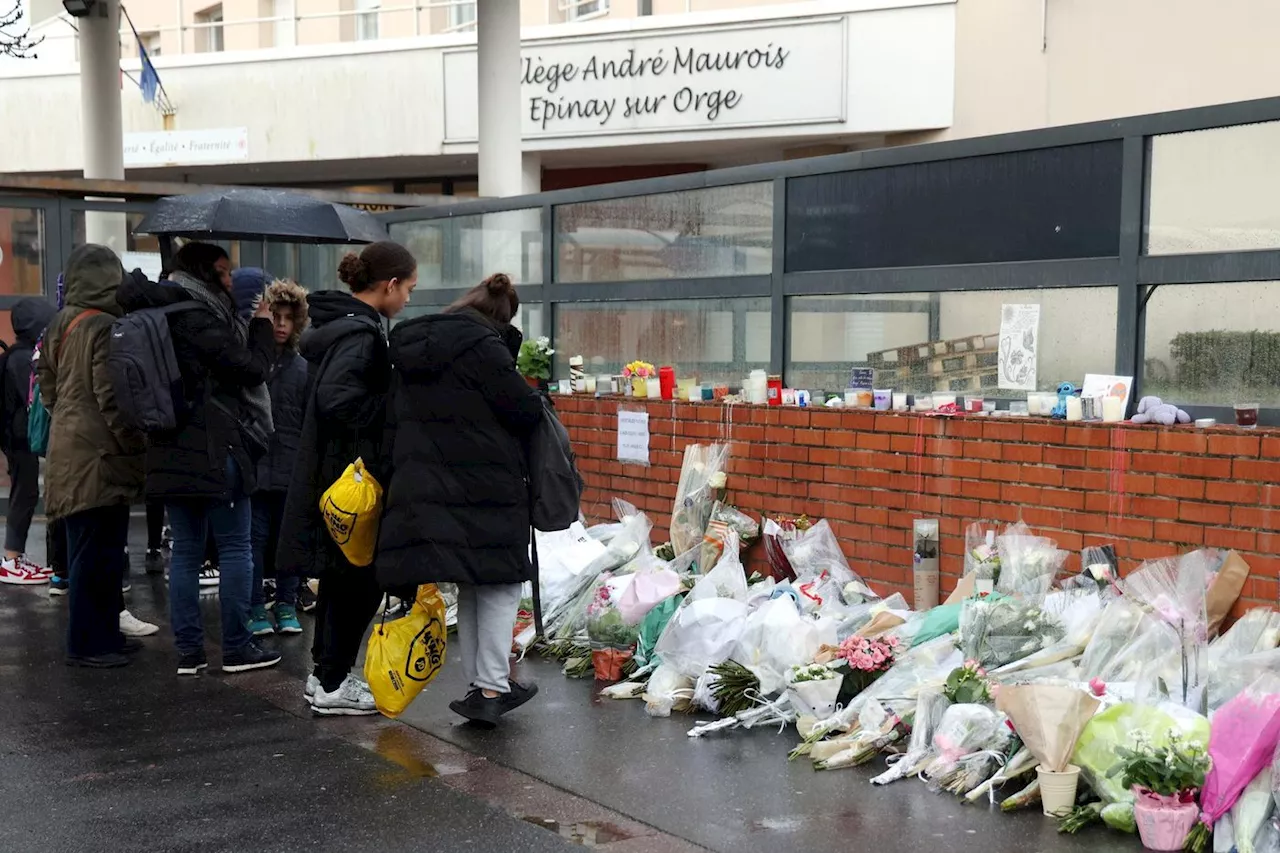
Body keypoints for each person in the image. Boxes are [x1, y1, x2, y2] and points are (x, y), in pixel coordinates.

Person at [377, 273, 543, 728]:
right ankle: (491, 686)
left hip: (430, 485)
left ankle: (482, 683)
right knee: (501, 582)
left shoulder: (414, 345)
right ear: (502, 318)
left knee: (474, 582)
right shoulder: (483, 347)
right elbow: (522, 409)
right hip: (485, 486)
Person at [117, 242, 281, 676]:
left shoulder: (157, 311)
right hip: (215, 447)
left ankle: (189, 653)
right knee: (234, 548)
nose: (231, 282)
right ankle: (236, 647)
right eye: (225, 273)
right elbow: (250, 368)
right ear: (205, 274)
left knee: (186, 553)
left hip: (166, 448)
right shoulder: (197, 316)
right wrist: (262, 326)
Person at [277, 241, 415, 716]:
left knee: (341, 578)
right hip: (354, 481)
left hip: (333, 477)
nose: (409, 300)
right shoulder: (362, 336)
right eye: (409, 289)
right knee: (360, 580)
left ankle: (324, 676)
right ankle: (334, 681)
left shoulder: (338, 327)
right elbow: (339, 400)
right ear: (389, 285)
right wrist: (394, 407)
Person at [40, 245, 147, 668]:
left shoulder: (59, 323)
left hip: (70, 449)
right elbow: (110, 395)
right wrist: (135, 443)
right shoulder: (104, 325)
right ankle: (86, 644)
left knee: (97, 549)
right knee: (96, 554)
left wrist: (67, 415)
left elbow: (45, 384)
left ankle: (104, 636)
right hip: (99, 456)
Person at [242, 276, 309, 637]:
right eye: (276, 316)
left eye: (288, 317)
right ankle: (255, 606)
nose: (281, 324)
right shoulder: (254, 362)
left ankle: (286, 602)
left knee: (289, 540)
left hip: (290, 467)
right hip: (255, 466)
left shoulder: (303, 367)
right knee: (252, 542)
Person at [0, 297, 55, 585]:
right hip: (19, 439)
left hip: (17, 438)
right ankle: (11, 560)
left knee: (26, 492)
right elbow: (33, 397)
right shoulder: (22, 358)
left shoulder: (18, 354)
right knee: (25, 494)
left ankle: (15, 557)